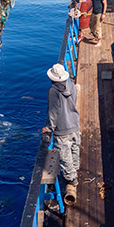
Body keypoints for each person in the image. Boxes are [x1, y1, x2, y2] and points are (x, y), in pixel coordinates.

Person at [42, 63, 81, 204]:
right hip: (75, 124)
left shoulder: (53, 91)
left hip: (62, 129)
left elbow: (53, 112)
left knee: (65, 157)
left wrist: (49, 128)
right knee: (75, 149)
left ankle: (72, 180)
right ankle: (76, 169)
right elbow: (73, 102)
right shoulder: (71, 85)